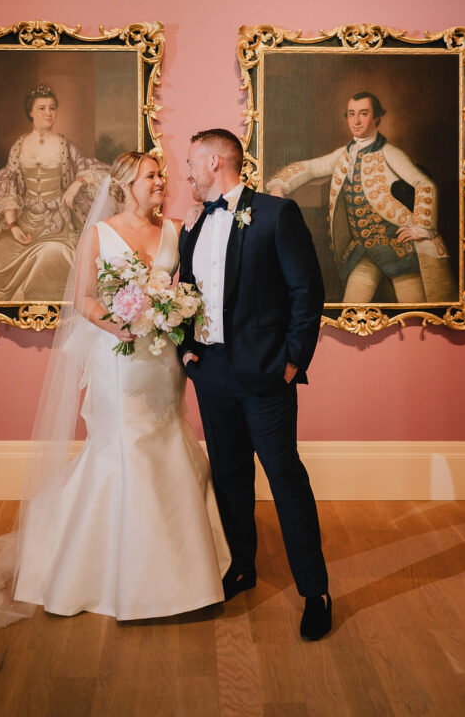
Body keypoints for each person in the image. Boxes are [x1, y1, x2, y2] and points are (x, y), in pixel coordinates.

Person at [0, 152, 230, 628]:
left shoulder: (176, 230)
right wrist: (117, 324)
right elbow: (82, 298)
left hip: (161, 362)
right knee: (125, 447)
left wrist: (172, 312)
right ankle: (122, 573)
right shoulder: (99, 235)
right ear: (124, 186)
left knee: (166, 438)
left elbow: (189, 289)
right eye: (151, 176)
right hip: (116, 358)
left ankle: (181, 566)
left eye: (162, 175)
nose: (161, 182)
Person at [179, 128, 332, 642]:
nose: (186, 174)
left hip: (267, 375)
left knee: (285, 477)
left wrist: (292, 362)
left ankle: (315, 590)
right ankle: (243, 566)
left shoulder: (275, 214)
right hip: (213, 375)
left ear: (217, 160)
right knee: (228, 476)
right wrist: (187, 348)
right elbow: (186, 293)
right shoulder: (194, 224)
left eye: (191, 163)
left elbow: (307, 292)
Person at [267, 92, 457, 303]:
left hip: (398, 246)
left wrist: (420, 226)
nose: (356, 121)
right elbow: (310, 168)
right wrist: (279, 184)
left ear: (376, 118)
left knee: (413, 310)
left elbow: (425, 184)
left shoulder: (390, 152)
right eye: (351, 114)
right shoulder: (344, 154)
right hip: (364, 249)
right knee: (351, 306)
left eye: (363, 114)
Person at [0, 83, 109, 301]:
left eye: (52, 108)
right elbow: (8, 186)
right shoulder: (19, 146)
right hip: (25, 221)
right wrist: (13, 226)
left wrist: (77, 184)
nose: (48, 113)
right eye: (42, 108)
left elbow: (92, 169)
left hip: (57, 223)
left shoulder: (64, 145)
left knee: (54, 253)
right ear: (30, 112)